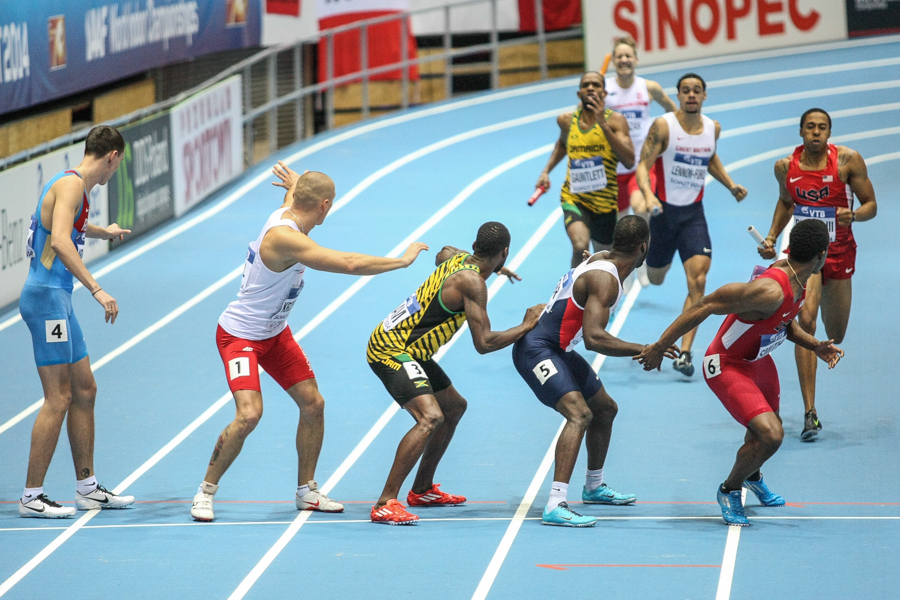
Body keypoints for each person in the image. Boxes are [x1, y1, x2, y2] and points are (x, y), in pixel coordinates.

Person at [190, 162, 429, 522]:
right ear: (326, 205)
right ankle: (205, 491)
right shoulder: (285, 237)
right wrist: (401, 261)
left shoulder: (291, 210)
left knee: (313, 404)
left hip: (274, 334)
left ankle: (307, 491)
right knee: (250, 414)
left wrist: (297, 182)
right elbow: (347, 263)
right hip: (240, 337)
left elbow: (297, 194)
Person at [636, 219, 843, 526]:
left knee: (759, 433)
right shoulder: (768, 290)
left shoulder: (801, 280)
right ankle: (729, 489)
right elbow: (704, 305)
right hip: (726, 364)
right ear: (821, 255)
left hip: (758, 361)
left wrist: (814, 345)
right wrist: (659, 346)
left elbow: (784, 322)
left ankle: (753, 476)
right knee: (772, 434)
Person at [366, 222, 544, 525]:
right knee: (430, 417)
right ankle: (385, 502)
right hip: (391, 349)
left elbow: (443, 252)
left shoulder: (457, 258)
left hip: (412, 351)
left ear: (475, 247)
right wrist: (526, 326)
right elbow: (484, 344)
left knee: (453, 407)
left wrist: (494, 267)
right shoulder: (473, 284)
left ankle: (421, 489)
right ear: (504, 252)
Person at [512, 216, 677, 527]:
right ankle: (556, 503)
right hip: (536, 350)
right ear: (644, 246)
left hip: (557, 348)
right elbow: (594, 338)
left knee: (605, 409)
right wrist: (646, 348)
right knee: (580, 414)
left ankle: (593, 487)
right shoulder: (606, 280)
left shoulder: (603, 258)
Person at [18, 125, 134, 518]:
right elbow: (62, 241)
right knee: (59, 397)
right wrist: (98, 289)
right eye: (117, 165)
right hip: (47, 299)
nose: (114, 173)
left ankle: (87, 488)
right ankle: (32, 496)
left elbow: (71, 227)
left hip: (59, 300)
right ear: (112, 156)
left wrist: (106, 231)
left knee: (85, 388)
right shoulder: (70, 186)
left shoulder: (76, 187)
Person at [757, 108, 877, 441]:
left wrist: (853, 215)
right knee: (806, 322)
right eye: (810, 127)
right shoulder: (785, 167)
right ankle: (810, 413)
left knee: (834, 332)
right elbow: (786, 203)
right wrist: (770, 236)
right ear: (800, 132)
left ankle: (811, 403)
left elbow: (871, 205)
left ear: (829, 133)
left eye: (822, 128)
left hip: (839, 254)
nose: (816, 132)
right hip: (804, 258)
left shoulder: (848, 162)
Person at [635, 72, 748, 377]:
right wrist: (648, 195)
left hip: (692, 216)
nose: (691, 95)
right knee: (657, 278)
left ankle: (684, 352)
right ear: (679, 95)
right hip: (663, 214)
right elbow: (643, 165)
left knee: (698, 281)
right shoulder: (664, 126)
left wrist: (731, 185)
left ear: (704, 95)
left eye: (697, 91)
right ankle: (646, 264)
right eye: (685, 91)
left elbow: (710, 159)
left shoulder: (713, 128)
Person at [535, 72, 635, 268]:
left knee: (603, 259)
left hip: (605, 203)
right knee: (580, 246)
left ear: (604, 93)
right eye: (586, 85)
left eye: (596, 85)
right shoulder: (566, 121)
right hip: (575, 198)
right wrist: (546, 171)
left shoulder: (616, 122)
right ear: (579, 93)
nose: (591, 88)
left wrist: (604, 126)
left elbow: (629, 160)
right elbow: (562, 145)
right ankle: (572, 290)